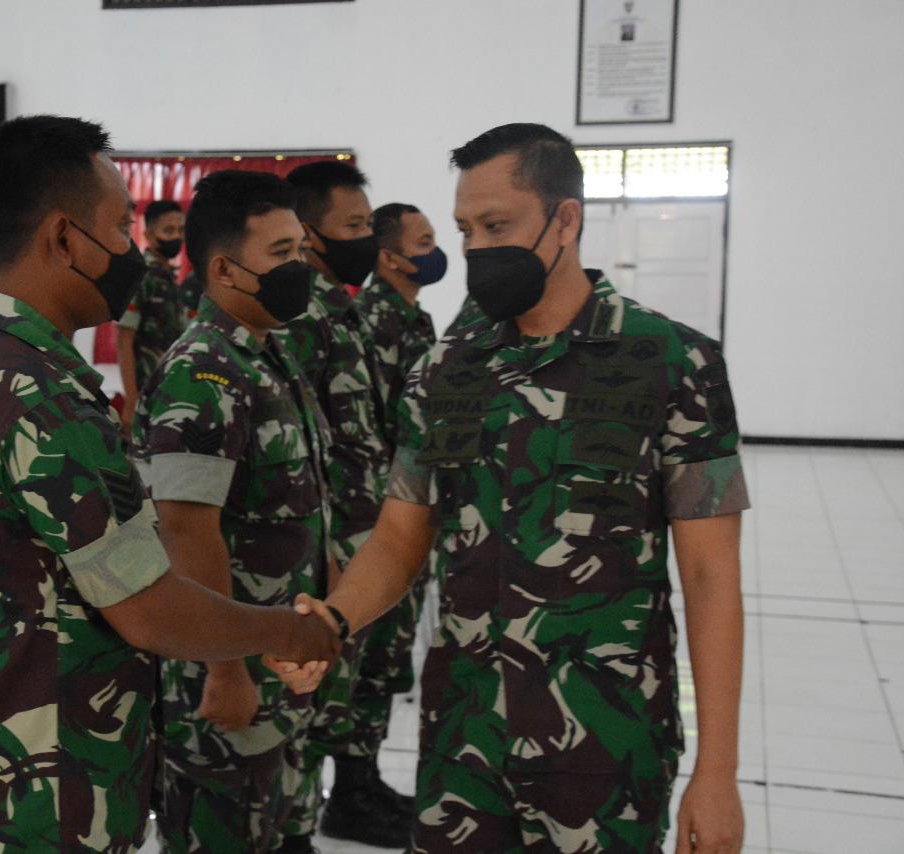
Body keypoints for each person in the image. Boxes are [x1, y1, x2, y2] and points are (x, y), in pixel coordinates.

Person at [282, 123, 750, 854]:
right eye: (466, 229)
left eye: (496, 226)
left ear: (566, 220)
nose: (475, 249)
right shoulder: (446, 372)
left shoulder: (673, 363)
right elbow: (400, 537)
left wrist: (717, 773)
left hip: (604, 746)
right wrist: (334, 622)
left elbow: (711, 576)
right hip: (464, 742)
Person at [0, 115, 340, 854]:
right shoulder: (42, 396)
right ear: (65, 239)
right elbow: (150, 611)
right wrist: (288, 631)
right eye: (121, 227)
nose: (132, 249)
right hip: (30, 795)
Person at [131, 170, 331, 854]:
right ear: (223, 268)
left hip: (279, 657)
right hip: (228, 669)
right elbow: (187, 530)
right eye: (280, 253)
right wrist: (224, 670)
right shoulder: (203, 372)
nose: (299, 268)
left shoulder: (267, 356)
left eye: (300, 250)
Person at [274, 161, 405, 849]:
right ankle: (297, 821)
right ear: (309, 233)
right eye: (353, 226)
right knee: (313, 695)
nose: (367, 238)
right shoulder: (301, 315)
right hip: (332, 545)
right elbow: (301, 442)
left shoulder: (342, 306)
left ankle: (353, 791)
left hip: (371, 536)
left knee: (359, 684)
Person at [340, 201, 444, 822]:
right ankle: (350, 790)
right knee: (372, 658)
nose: (435, 251)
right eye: (423, 241)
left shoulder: (413, 318)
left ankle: (364, 778)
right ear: (390, 257)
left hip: (409, 506)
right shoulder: (373, 321)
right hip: (382, 516)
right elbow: (385, 428)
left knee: (389, 659)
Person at [117, 199, 186, 429]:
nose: (176, 236)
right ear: (148, 234)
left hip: (172, 389)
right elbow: (124, 341)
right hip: (147, 393)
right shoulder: (141, 277)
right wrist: (131, 401)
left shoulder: (169, 277)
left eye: (181, 230)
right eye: (168, 230)